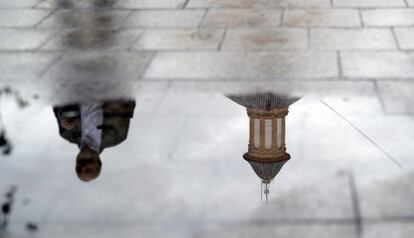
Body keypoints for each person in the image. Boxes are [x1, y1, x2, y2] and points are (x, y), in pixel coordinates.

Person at [53, 100, 135, 182]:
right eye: (88, 170)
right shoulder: (117, 136)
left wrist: (63, 115)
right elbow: (129, 103)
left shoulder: (66, 134)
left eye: (79, 169)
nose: (83, 167)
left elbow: (57, 103)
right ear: (99, 162)